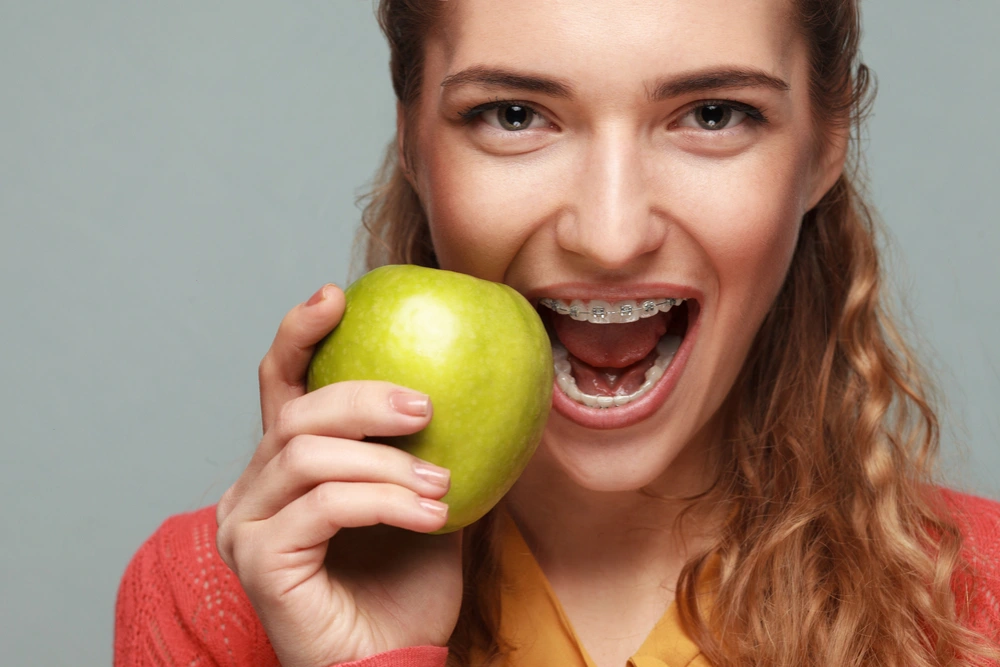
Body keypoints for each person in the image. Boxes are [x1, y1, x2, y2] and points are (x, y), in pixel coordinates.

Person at [114, 1, 1000, 665]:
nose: (609, 234)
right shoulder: (211, 605)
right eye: (514, 114)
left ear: (824, 147)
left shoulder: (979, 608)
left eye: (714, 113)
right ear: (415, 144)